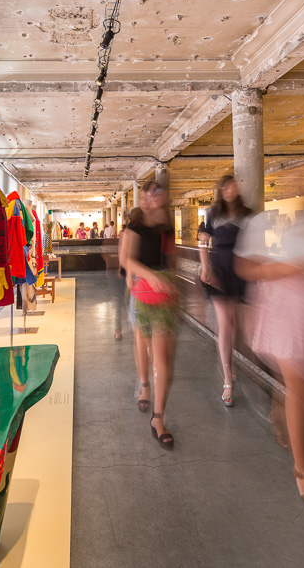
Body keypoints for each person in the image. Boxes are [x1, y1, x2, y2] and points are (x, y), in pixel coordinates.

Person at [235, 206, 304, 512]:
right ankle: (303, 471)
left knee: (298, 382)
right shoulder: (262, 221)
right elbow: (246, 268)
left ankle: (279, 415)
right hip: (284, 311)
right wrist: (292, 268)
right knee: (300, 388)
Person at [123, 182, 178, 449]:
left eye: (157, 193)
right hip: (143, 294)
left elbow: (171, 259)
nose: (152, 198)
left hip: (164, 296)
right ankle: (144, 383)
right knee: (143, 345)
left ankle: (158, 418)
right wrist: (150, 276)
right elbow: (127, 260)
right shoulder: (136, 226)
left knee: (162, 358)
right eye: (148, 194)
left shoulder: (166, 226)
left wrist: (172, 283)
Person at [198, 175, 252, 407]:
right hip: (219, 269)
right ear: (222, 190)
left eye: (234, 186)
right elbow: (203, 242)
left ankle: (230, 362)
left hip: (240, 270)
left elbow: (254, 243)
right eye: (227, 187)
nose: (231, 190)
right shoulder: (213, 212)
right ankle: (227, 381)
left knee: (236, 324)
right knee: (226, 324)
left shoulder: (246, 213)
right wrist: (205, 267)